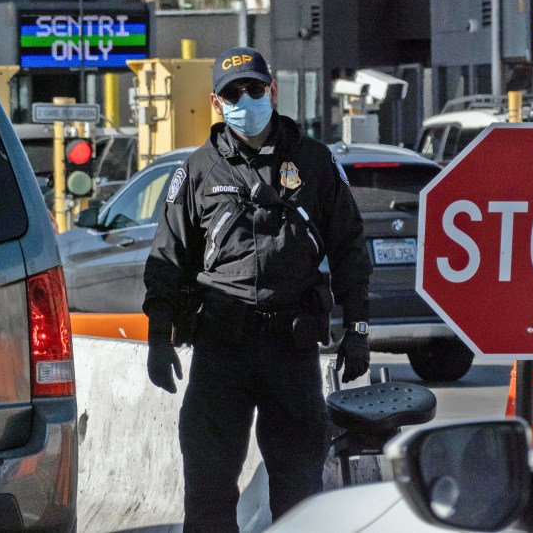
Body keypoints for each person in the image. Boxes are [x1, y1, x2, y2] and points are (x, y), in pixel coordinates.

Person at [142, 46, 373, 532]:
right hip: (222, 350)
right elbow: (167, 260)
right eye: (233, 93)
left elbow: (350, 246)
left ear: (273, 90)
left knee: (300, 497)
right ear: (216, 103)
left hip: (291, 349)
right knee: (207, 492)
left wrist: (358, 328)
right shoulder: (198, 171)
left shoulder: (313, 162)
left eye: (253, 88)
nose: (245, 99)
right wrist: (159, 337)